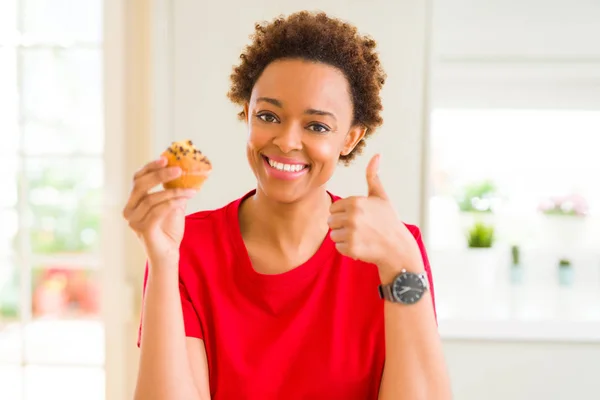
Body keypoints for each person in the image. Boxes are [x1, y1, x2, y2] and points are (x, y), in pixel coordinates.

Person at [125, 11, 452, 400]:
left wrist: (402, 263)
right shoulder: (185, 247)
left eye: (316, 126)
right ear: (246, 114)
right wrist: (162, 262)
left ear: (350, 137)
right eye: (268, 116)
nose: (286, 140)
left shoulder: (393, 247)